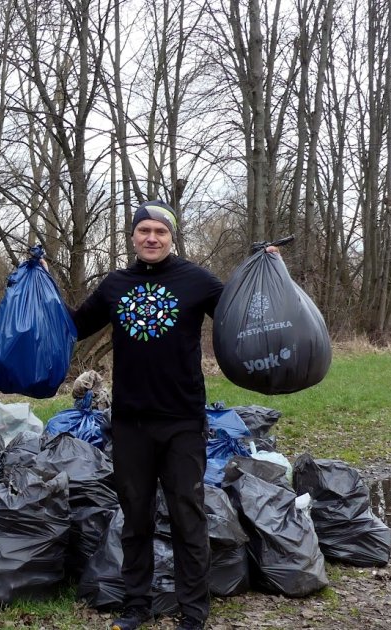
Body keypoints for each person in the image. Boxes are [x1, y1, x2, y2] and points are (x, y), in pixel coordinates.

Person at [68, 200, 279, 630]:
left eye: (159, 232)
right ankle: (135, 607)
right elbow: (72, 325)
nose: (151, 238)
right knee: (136, 517)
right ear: (132, 237)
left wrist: (267, 273)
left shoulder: (197, 280)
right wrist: (31, 290)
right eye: (143, 230)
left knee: (188, 515)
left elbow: (243, 318)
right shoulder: (114, 285)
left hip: (183, 420)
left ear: (171, 236)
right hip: (129, 423)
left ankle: (194, 612)